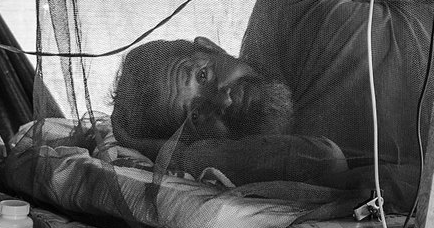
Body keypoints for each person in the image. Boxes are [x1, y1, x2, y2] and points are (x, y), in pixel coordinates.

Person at [109, 36, 350, 185]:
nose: (223, 101)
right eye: (196, 115)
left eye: (202, 75)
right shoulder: (264, 172)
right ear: (194, 141)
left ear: (210, 46)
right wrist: (171, 154)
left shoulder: (287, 9)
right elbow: (324, 159)